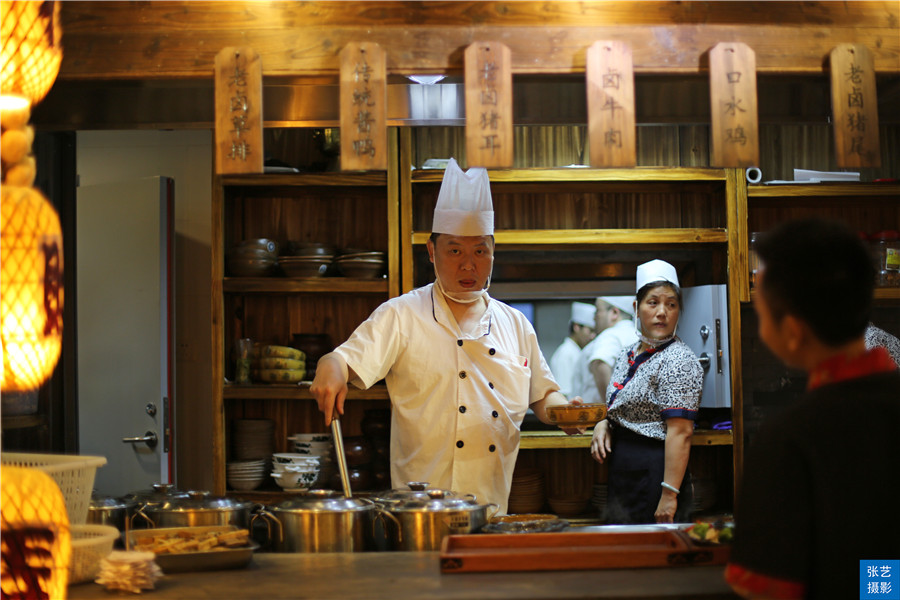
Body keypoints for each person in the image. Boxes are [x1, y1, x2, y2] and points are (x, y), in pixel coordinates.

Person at [310, 158, 578, 515]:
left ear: (493, 252)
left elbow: (544, 396)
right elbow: (344, 359)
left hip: (491, 508)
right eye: (455, 250)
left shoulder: (515, 324)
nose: (469, 265)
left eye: (480, 250)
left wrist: (567, 414)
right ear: (432, 252)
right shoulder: (401, 315)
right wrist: (331, 364)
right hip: (417, 514)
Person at [725, 218, 900, 600]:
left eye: (762, 308)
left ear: (793, 331)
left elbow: (766, 587)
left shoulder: (788, 436)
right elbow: (882, 573)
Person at [589, 259, 703, 524]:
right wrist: (605, 423)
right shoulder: (626, 354)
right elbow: (622, 406)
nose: (662, 312)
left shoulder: (680, 360)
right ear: (636, 309)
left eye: (671, 304)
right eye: (653, 302)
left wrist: (670, 494)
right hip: (625, 471)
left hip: (657, 473)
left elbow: (681, 432)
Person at [575, 296, 638, 405]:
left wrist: (612, 405)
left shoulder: (610, 334)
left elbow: (600, 362)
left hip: (601, 417)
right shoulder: (638, 336)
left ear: (614, 313)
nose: (594, 319)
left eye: (597, 312)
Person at [549, 301, 597, 398]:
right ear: (576, 327)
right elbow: (564, 395)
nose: (593, 336)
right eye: (590, 330)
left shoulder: (577, 352)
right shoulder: (565, 354)